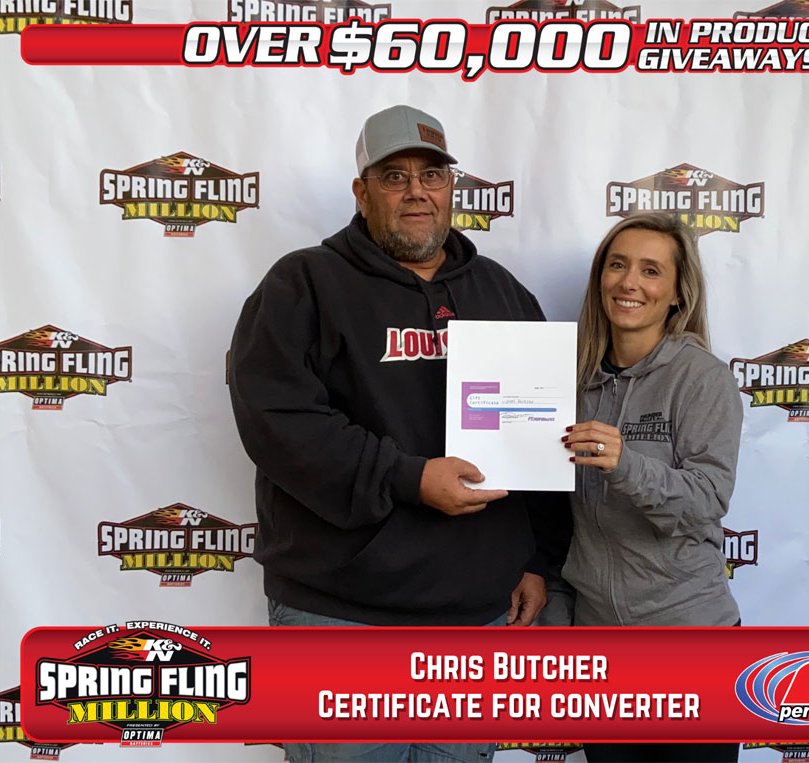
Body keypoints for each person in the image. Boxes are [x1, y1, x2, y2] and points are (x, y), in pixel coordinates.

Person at [229, 104, 569, 763]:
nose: (417, 191)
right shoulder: (302, 285)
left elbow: (541, 438)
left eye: (432, 175)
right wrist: (408, 477)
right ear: (362, 192)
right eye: (394, 176)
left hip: (472, 620)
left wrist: (539, 560)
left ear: (451, 187)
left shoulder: (504, 295)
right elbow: (279, 423)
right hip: (338, 617)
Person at [562, 213, 743, 763]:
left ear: (677, 293)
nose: (629, 282)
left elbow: (709, 498)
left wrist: (626, 464)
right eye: (617, 265)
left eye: (650, 270)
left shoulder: (702, 378)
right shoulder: (569, 378)